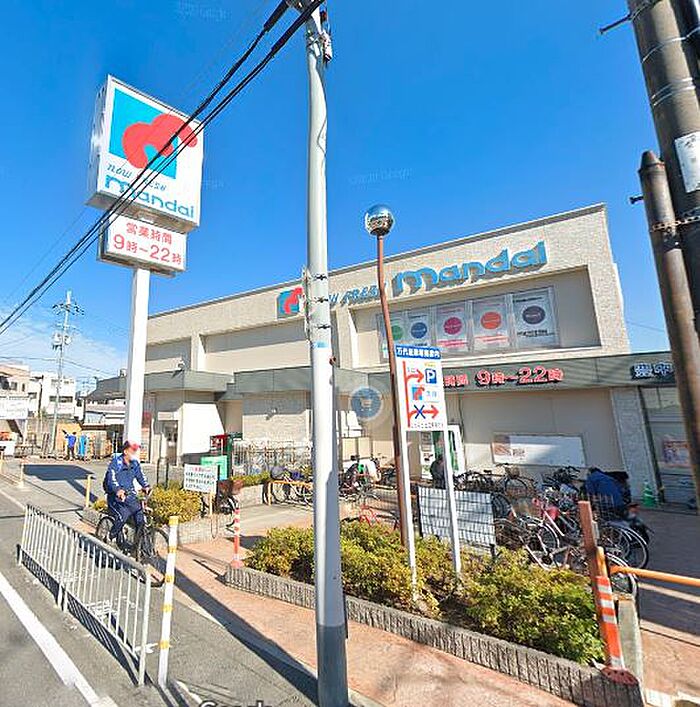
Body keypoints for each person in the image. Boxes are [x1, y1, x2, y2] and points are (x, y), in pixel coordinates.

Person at [103, 441, 150, 547]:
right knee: (122, 516)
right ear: (125, 451)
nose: (135, 453)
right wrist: (118, 490)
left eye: (135, 450)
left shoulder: (135, 463)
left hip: (130, 496)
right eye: (132, 450)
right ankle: (110, 536)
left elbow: (140, 476)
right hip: (115, 498)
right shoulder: (116, 463)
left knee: (140, 518)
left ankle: (138, 547)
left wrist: (146, 486)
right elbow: (111, 479)